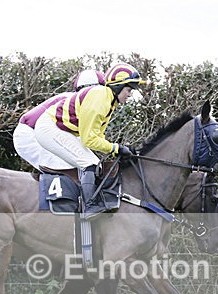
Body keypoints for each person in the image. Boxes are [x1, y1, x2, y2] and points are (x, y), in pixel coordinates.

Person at [32, 61, 147, 219]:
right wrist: (116, 148)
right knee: (88, 163)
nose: (129, 94)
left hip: (61, 129)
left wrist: (118, 150)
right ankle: (90, 206)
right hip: (50, 128)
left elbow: (98, 135)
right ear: (118, 86)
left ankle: (91, 202)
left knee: (95, 164)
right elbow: (89, 140)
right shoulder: (100, 99)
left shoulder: (109, 101)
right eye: (128, 90)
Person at [13, 69, 105, 171]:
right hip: (30, 134)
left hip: (37, 132)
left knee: (91, 164)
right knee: (69, 167)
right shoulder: (73, 101)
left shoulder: (79, 102)